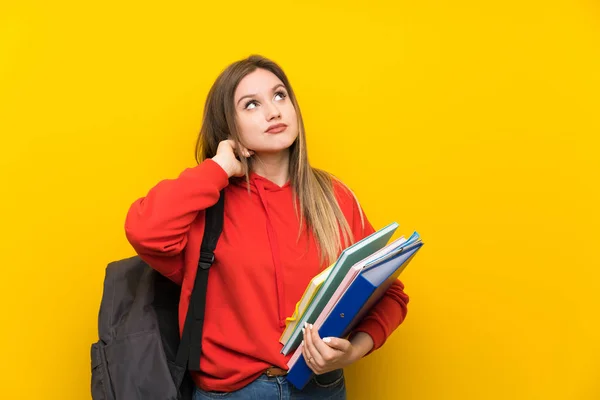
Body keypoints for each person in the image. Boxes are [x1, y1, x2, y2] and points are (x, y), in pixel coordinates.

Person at [125, 55, 409, 400]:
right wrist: (217, 168)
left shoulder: (334, 198)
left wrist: (352, 352)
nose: (273, 112)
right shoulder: (207, 204)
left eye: (279, 96)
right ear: (229, 128)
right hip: (232, 393)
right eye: (251, 104)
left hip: (319, 388)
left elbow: (389, 292)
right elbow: (146, 231)